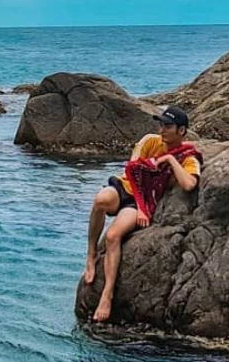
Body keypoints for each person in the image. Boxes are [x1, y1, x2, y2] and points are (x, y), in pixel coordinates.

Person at [82, 105, 202, 323]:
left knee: (112, 236)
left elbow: (189, 184)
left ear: (182, 131)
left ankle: (106, 295)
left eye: (168, 126)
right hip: (128, 191)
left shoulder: (188, 157)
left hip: (143, 204)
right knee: (101, 199)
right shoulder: (150, 141)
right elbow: (134, 172)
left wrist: (171, 161)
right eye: (161, 124)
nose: (162, 130)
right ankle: (90, 254)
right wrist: (142, 207)